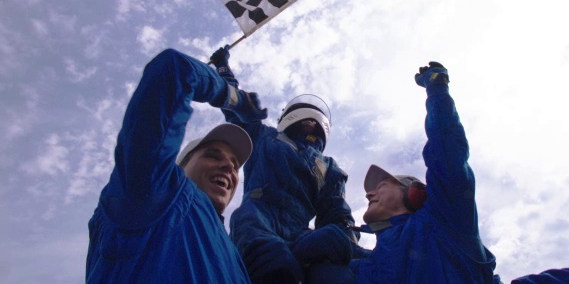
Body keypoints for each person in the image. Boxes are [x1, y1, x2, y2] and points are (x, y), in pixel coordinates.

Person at [85, 48, 268, 283]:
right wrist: (236, 98)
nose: (228, 168)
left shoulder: (234, 257)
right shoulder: (153, 193)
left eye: (235, 165)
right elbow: (175, 70)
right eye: (213, 155)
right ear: (181, 165)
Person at [210, 46, 364, 283]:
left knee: (335, 272)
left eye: (316, 119)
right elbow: (236, 107)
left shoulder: (329, 167)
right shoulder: (264, 136)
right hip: (259, 217)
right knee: (268, 261)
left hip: (302, 233)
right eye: (307, 117)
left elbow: (337, 214)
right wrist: (223, 68)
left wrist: (347, 246)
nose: (311, 123)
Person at [349, 61, 499, 283]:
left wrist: (437, 90)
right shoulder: (365, 266)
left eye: (380, 187)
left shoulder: (445, 221)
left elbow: (447, 153)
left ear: (414, 194)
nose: (369, 194)